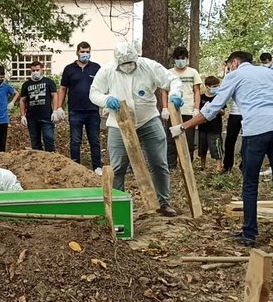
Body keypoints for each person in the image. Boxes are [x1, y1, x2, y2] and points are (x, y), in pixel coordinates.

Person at [171, 51, 273, 250]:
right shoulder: (271, 73)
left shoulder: (235, 75)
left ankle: (249, 233)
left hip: (256, 131)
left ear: (235, 62)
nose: (228, 69)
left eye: (228, 65)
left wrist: (184, 126)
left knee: (250, 183)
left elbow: (212, 108)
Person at [89, 41, 183, 217]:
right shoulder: (107, 70)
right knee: (118, 168)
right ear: (117, 62)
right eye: (123, 64)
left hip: (148, 120)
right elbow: (94, 92)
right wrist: (106, 100)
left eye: (130, 62)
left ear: (136, 58)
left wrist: (176, 94)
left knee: (159, 163)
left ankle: (163, 202)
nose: (127, 66)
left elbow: (172, 80)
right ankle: (118, 207)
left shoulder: (149, 66)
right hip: (119, 123)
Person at [56, 42, 103, 175]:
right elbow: (63, 88)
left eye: (87, 52)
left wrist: (104, 103)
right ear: (77, 52)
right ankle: (75, 166)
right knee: (75, 140)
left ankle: (97, 167)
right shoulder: (69, 69)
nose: (85, 54)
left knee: (94, 140)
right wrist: (59, 107)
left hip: (92, 110)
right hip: (75, 111)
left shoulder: (96, 68)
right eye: (82, 51)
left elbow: (103, 86)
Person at [163, 46, 200, 169]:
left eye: (183, 58)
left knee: (189, 140)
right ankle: (171, 165)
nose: (180, 61)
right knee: (171, 139)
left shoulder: (193, 72)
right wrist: (165, 108)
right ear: (174, 59)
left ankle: (187, 165)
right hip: (173, 111)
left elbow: (197, 91)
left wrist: (196, 108)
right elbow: (164, 91)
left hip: (188, 110)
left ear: (186, 59)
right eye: (178, 58)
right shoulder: (169, 73)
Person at [20, 61, 58, 152]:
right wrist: (22, 115)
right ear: (30, 71)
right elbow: (22, 100)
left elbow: (55, 96)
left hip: (46, 116)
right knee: (35, 141)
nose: (35, 72)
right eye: (33, 70)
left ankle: (51, 157)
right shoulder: (26, 85)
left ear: (42, 70)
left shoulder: (49, 82)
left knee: (48, 138)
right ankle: (38, 158)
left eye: (37, 70)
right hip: (32, 118)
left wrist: (55, 111)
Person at [198, 76, 224, 171]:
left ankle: (218, 167)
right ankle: (202, 166)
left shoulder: (219, 98)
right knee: (202, 148)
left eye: (218, 86)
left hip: (215, 128)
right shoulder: (201, 97)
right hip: (203, 127)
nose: (217, 88)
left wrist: (217, 109)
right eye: (214, 86)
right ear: (207, 86)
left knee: (216, 148)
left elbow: (223, 112)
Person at [222, 99, 242, 173]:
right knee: (229, 140)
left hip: (248, 113)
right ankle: (227, 165)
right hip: (234, 113)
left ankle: (244, 165)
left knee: (247, 141)